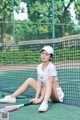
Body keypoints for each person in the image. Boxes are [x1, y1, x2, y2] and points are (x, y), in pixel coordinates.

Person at [0, 46, 64, 112]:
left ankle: (45, 103)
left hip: (55, 96)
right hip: (46, 92)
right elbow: (39, 82)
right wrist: (36, 97)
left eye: (46, 54)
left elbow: (49, 83)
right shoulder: (39, 67)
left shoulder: (51, 67)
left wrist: (41, 98)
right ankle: (12, 97)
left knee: (48, 81)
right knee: (30, 80)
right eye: (42, 53)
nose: (43, 56)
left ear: (50, 57)